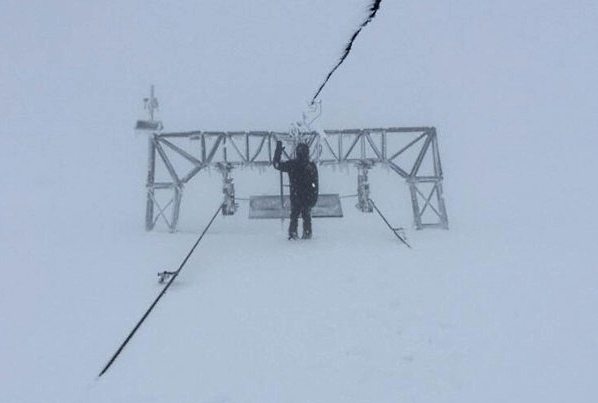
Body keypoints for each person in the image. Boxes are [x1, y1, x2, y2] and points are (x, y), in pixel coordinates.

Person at [273, 140, 318, 239]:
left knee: (294, 218)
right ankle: (307, 235)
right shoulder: (311, 166)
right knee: (306, 218)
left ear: (297, 153)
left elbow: (276, 164)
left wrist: (278, 149)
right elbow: (315, 184)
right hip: (307, 198)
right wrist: (314, 199)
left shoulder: (292, 165)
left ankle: (293, 235)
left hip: (296, 197)